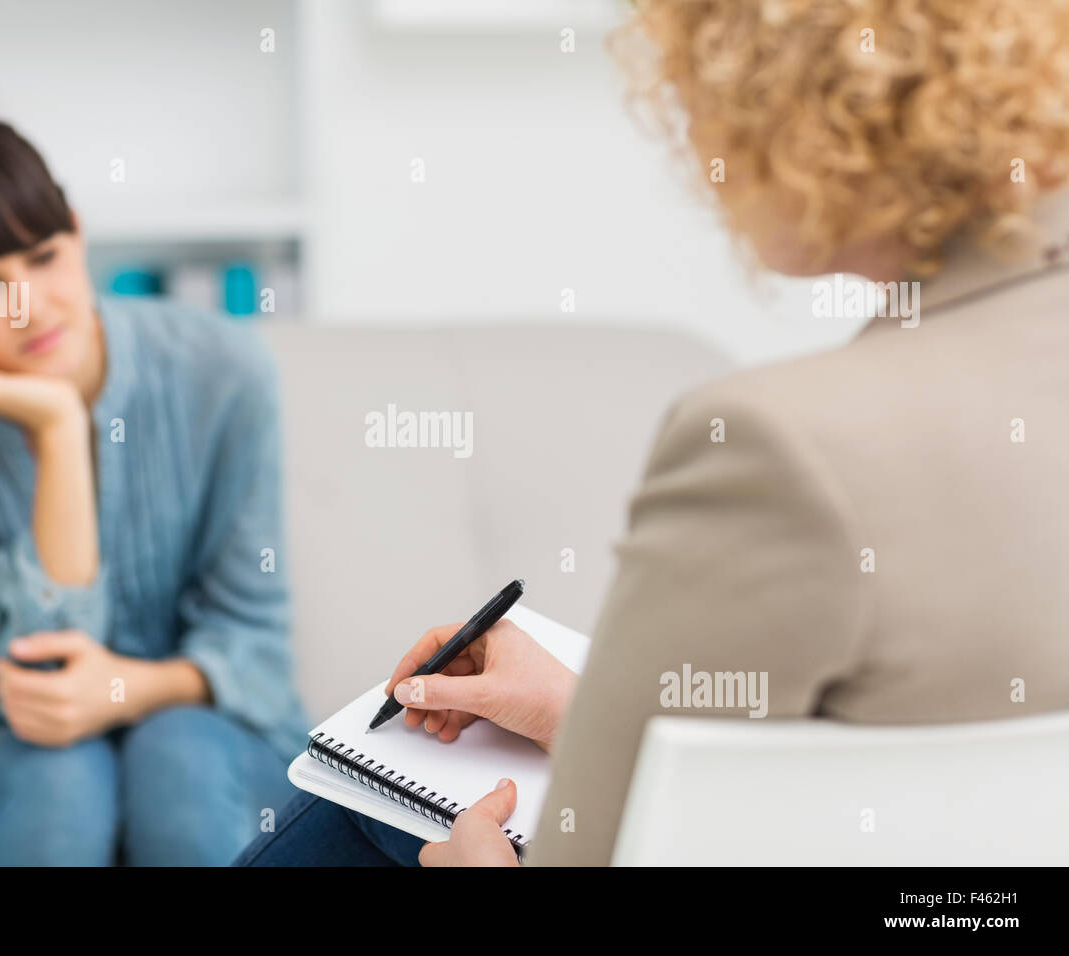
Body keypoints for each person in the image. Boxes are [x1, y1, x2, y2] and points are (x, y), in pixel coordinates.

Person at [237, 0, 1069, 866]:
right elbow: (893, 785)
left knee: (355, 816)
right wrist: (591, 712)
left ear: (784, 112)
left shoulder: (780, 443)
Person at [0, 83, 307, 865]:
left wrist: (127, 688)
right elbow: (24, 675)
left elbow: (255, 649)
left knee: (177, 757)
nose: (28, 306)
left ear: (80, 234)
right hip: (0, 745)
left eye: (44, 257)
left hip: (204, 733)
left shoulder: (226, 370)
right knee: (65, 776)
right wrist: (57, 432)